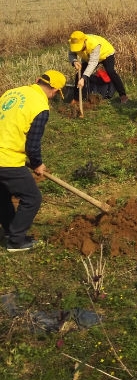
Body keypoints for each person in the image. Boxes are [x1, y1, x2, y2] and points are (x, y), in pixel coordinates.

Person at [0, 70, 65, 251]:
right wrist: (37, 164)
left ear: (37, 80)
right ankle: (16, 241)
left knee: (3, 194)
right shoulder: (41, 107)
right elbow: (33, 144)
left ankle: (9, 231)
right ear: (54, 90)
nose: (53, 97)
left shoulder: (11, 92)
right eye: (55, 94)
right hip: (7, 159)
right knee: (32, 198)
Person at [68, 31, 129, 103]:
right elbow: (71, 54)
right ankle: (77, 99)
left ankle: (123, 95)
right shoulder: (73, 42)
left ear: (84, 41)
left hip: (106, 53)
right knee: (79, 75)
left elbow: (93, 63)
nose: (78, 49)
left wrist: (84, 78)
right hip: (88, 56)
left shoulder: (94, 44)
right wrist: (74, 61)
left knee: (110, 71)